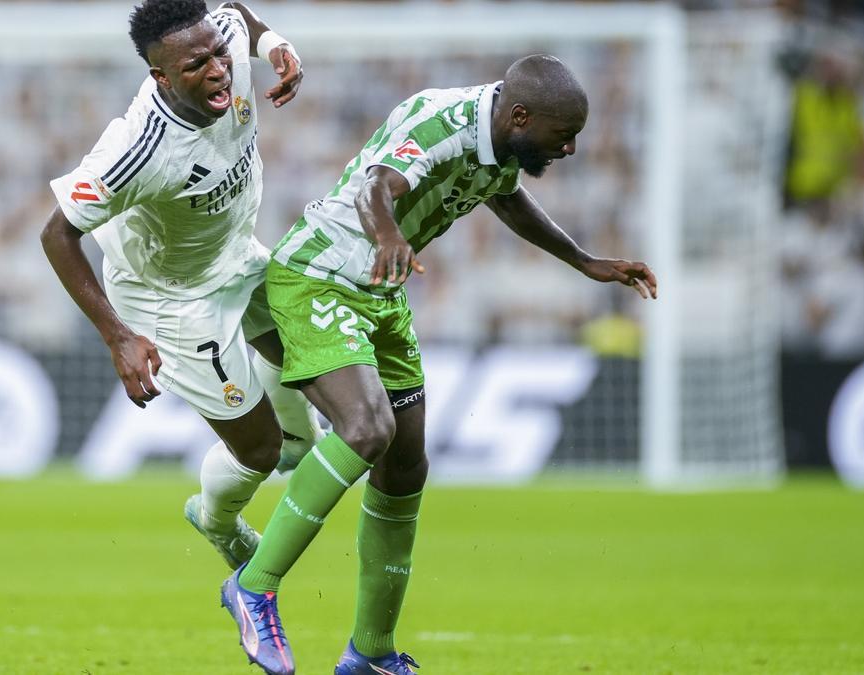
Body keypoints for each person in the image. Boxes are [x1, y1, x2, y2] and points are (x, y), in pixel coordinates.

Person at [220, 54, 658, 675]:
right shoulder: (441, 119)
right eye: (563, 136)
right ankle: (255, 586)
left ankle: (369, 654)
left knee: (405, 467)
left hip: (379, 293)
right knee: (367, 430)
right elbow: (377, 185)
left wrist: (584, 261)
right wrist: (390, 236)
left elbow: (507, 201)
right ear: (521, 115)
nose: (571, 149)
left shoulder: (501, 143)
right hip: (320, 277)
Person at [40, 0, 321, 571]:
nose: (219, 69)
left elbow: (239, 14)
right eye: (197, 66)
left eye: (220, 54)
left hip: (235, 254)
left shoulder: (225, 47)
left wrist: (275, 47)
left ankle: (296, 445)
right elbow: (56, 237)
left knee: (309, 401)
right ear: (160, 77)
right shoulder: (138, 151)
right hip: (172, 298)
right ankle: (217, 521)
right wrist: (118, 336)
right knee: (259, 450)